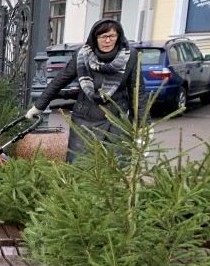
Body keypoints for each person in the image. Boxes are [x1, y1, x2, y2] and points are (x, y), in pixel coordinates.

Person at [27, 19, 148, 163]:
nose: (108, 40)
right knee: (80, 165)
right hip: (85, 120)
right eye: (103, 36)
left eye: (112, 36)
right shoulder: (82, 55)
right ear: (95, 38)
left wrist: (143, 125)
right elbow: (60, 79)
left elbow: (137, 91)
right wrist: (39, 105)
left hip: (117, 121)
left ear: (119, 36)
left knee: (116, 167)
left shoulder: (130, 56)